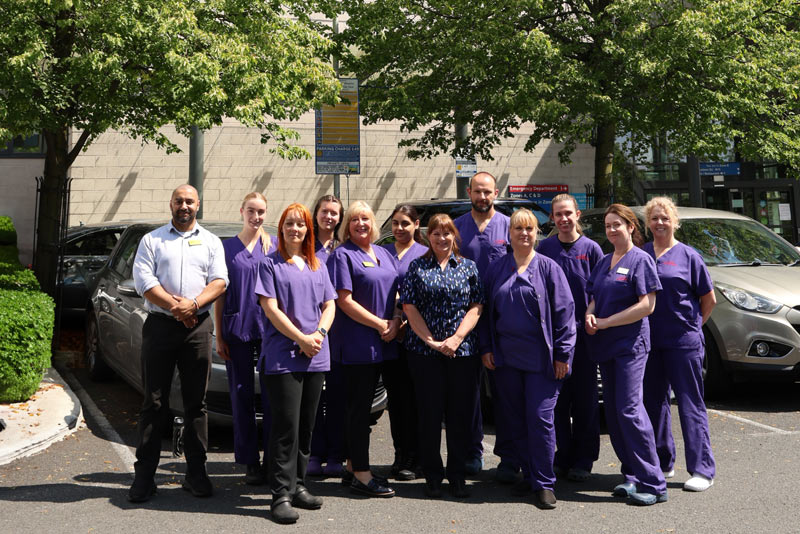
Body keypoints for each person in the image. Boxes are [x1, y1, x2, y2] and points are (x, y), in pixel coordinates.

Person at [129, 184, 228, 503]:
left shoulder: (211, 241)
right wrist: (179, 308)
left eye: (189, 201)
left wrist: (193, 306)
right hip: (159, 327)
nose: (184, 206)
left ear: (198, 205)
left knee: (196, 404)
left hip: (197, 329)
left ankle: (197, 474)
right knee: (153, 402)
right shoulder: (152, 240)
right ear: (170, 204)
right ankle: (144, 477)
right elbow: (145, 282)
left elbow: (220, 281)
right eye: (178, 201)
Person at [480, 209, 575, 509]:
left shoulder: (548, 268)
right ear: (509, 234)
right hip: (507, 360)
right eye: (518, 229)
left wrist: (563, 354)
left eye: (529, 229)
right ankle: (529, 474)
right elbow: (485, 315)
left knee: (540, 419)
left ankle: (545, 483)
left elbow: (565, 314)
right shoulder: (497, 269)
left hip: (542, 362)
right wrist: (486, 348)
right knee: (515, 419)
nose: (524, 233)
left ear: (537, 233)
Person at [255, 203, 337, 524]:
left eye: (300, 225)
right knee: (285, 429)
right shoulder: (270, 265)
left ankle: (299, 485)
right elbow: (271, 309)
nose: (295, 229)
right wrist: (302, 338)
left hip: (316, 355)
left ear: (308, 230)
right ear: (281, 228)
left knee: (306, 426)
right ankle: (280, 495)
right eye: (290, 224)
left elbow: (330, 305)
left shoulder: (319, 265)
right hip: (284, 357)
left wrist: (318, 334)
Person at [585, 204, 666, 506]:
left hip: (630, 347)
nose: (611, 230)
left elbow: (648, 306)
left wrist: (605, 321)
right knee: (617, 416)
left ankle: (654, 483)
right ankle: (632, 475)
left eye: (617, 224)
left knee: (631, 411)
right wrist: (590, 316)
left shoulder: (641, 260)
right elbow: (594, 296)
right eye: (607, 226)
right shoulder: (605, 261)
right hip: (605, 346)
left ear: (631, 227)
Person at [401, 214, 484, 499]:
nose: (441, 238)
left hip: (462, 353)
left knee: (460, 416)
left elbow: (476, 307)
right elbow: (409, 308)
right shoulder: (417, 267)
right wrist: (432, 342)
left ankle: (457, 475)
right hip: (424, 353)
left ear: (454, 236)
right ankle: (433, 476)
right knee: (429, 415)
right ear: (428, 237)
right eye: (435, 233)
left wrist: (457, 338)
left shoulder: (469, 267)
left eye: (446, 233)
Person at [642, 197, 716, 492]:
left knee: (689, 404)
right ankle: (663, 463)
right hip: (648, 343)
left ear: (675, 222)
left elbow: (708, 300)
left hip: (683, 343)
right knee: (653, 403)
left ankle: (702, 469)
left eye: (665, 218)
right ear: (647, 224)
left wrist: (692, 327)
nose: (660, 223)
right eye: (654, 218)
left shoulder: (689, 256)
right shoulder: (642, 254)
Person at [329, 200, 401, 497]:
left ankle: (350, 467)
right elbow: (343, 301)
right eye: (356, 219)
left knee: (367, 410)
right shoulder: (342, 256)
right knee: (359, 412)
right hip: (358, 345)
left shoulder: (384, 253)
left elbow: (397, 291)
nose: (361, 224)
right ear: (347, 226)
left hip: (385, 342)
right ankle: (361, 472)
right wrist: (380, 325)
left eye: (366, 219)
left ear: (374, 223)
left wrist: (396, 320)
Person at [452, 171, 517, 481]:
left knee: (505, 391)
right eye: (477, 191)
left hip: (503, 319)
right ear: (469, 192)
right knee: (469, 393)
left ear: (496, 192)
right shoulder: (457, 228)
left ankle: (509, 457)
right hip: (465, 319)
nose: (482, 197)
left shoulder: (509, 226)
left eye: (487, 192)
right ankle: (472, 452)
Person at [537, 194, 604, 482]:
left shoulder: (591, 250)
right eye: (558, 215)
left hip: (584, 338)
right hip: (552, 339)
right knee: (558, 400)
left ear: (578, 215)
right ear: (552, 218)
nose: (563, 219)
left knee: (585, 400)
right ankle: (561, 456)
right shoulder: (545, 249)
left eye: (568, 213)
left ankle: (583, 459)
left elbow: (603, 290)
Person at [213, 192, 276, 485]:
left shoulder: (273, 246)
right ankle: (250, 460)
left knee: (274, 396)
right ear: (242, 211)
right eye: (251, 210)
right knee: (242, 396)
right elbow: (219, 294)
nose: (256, 216)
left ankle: (274, 459)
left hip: (270, 331)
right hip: (237, 329)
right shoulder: (226, 248)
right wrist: (219, 335)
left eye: (261, 212)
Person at [381, 205, 427, 480]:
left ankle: (418, 456)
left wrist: (405, 324)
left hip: (415, 338)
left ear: (416, 225)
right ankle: (401, 454)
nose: (399, 229)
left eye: (405, 223)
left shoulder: (424, 254)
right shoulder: (382, 253)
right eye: (395, 223)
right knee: (397, 402)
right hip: (388, 338)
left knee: (417, 400)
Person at [308, 194, 347, 477]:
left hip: (341, 333)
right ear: (316, 214)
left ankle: (336, 454)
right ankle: (314, 452)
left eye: (334, 213)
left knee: (336, 397)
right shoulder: (303, 248)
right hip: (311, 331)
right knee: (312, 398)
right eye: (325, 211)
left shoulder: (344, 249)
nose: (329, 217)